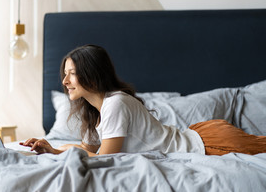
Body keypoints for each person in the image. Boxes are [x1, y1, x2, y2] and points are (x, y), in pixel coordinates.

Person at [20, 45, 266, 156]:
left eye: (71, 73)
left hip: (209, 143)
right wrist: (51, 149)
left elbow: (104, 159)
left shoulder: (116, 103)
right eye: (64, 74)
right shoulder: (96, 111)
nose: (64, 81)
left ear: (92, 74)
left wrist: (58, 151)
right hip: (201, 136)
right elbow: (88, 149)